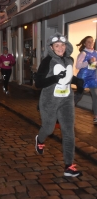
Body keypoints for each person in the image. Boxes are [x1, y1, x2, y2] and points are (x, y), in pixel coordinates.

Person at [34, 32, 83, 177]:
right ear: (51, 47)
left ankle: (69, 166)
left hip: (66, 100)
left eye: (62, 45)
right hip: (49, 100)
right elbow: (38, 83)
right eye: (57, 45)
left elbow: (67, 77)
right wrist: (55, 78)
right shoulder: (47, 61)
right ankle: (40, 139)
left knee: (69, 132)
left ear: (66, 46)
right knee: (48, 128)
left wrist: (77, 81)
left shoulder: (69, 60)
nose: (60, 48)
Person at [75, 36, 97, 124]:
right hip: (83, 77)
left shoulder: (96, 52)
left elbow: (94, 66)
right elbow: (78, 66)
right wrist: (88, 62)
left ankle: (96, 116)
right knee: (78, 96)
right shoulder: (83, 53)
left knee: (96, 96)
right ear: (84, 43)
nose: (90, 43)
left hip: (93, 78)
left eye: (92, 41)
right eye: (88, 42)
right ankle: (66, 112)